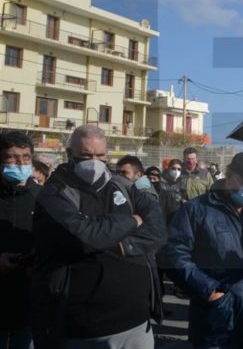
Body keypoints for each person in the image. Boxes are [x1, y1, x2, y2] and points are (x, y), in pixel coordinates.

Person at [30, 124, 166, 348]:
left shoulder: (122, 186)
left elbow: (158, 228)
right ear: (69, 154)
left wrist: (124, 246)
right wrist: (132, 220)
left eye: (100, 156)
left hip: (137, 324)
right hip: (82, 329)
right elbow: (85, 236)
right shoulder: (54, 193)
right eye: (86, 155)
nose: (93, 162)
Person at [163, 151, 243, 348]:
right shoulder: (197, 209)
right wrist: (210, 290)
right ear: (229, 175)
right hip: (215, 323)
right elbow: (173, 254)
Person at [0, 132, 40, 349]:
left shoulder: (44, 197)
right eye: (12, 158)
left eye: (26, 157)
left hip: (29, 307)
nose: (20, 163)